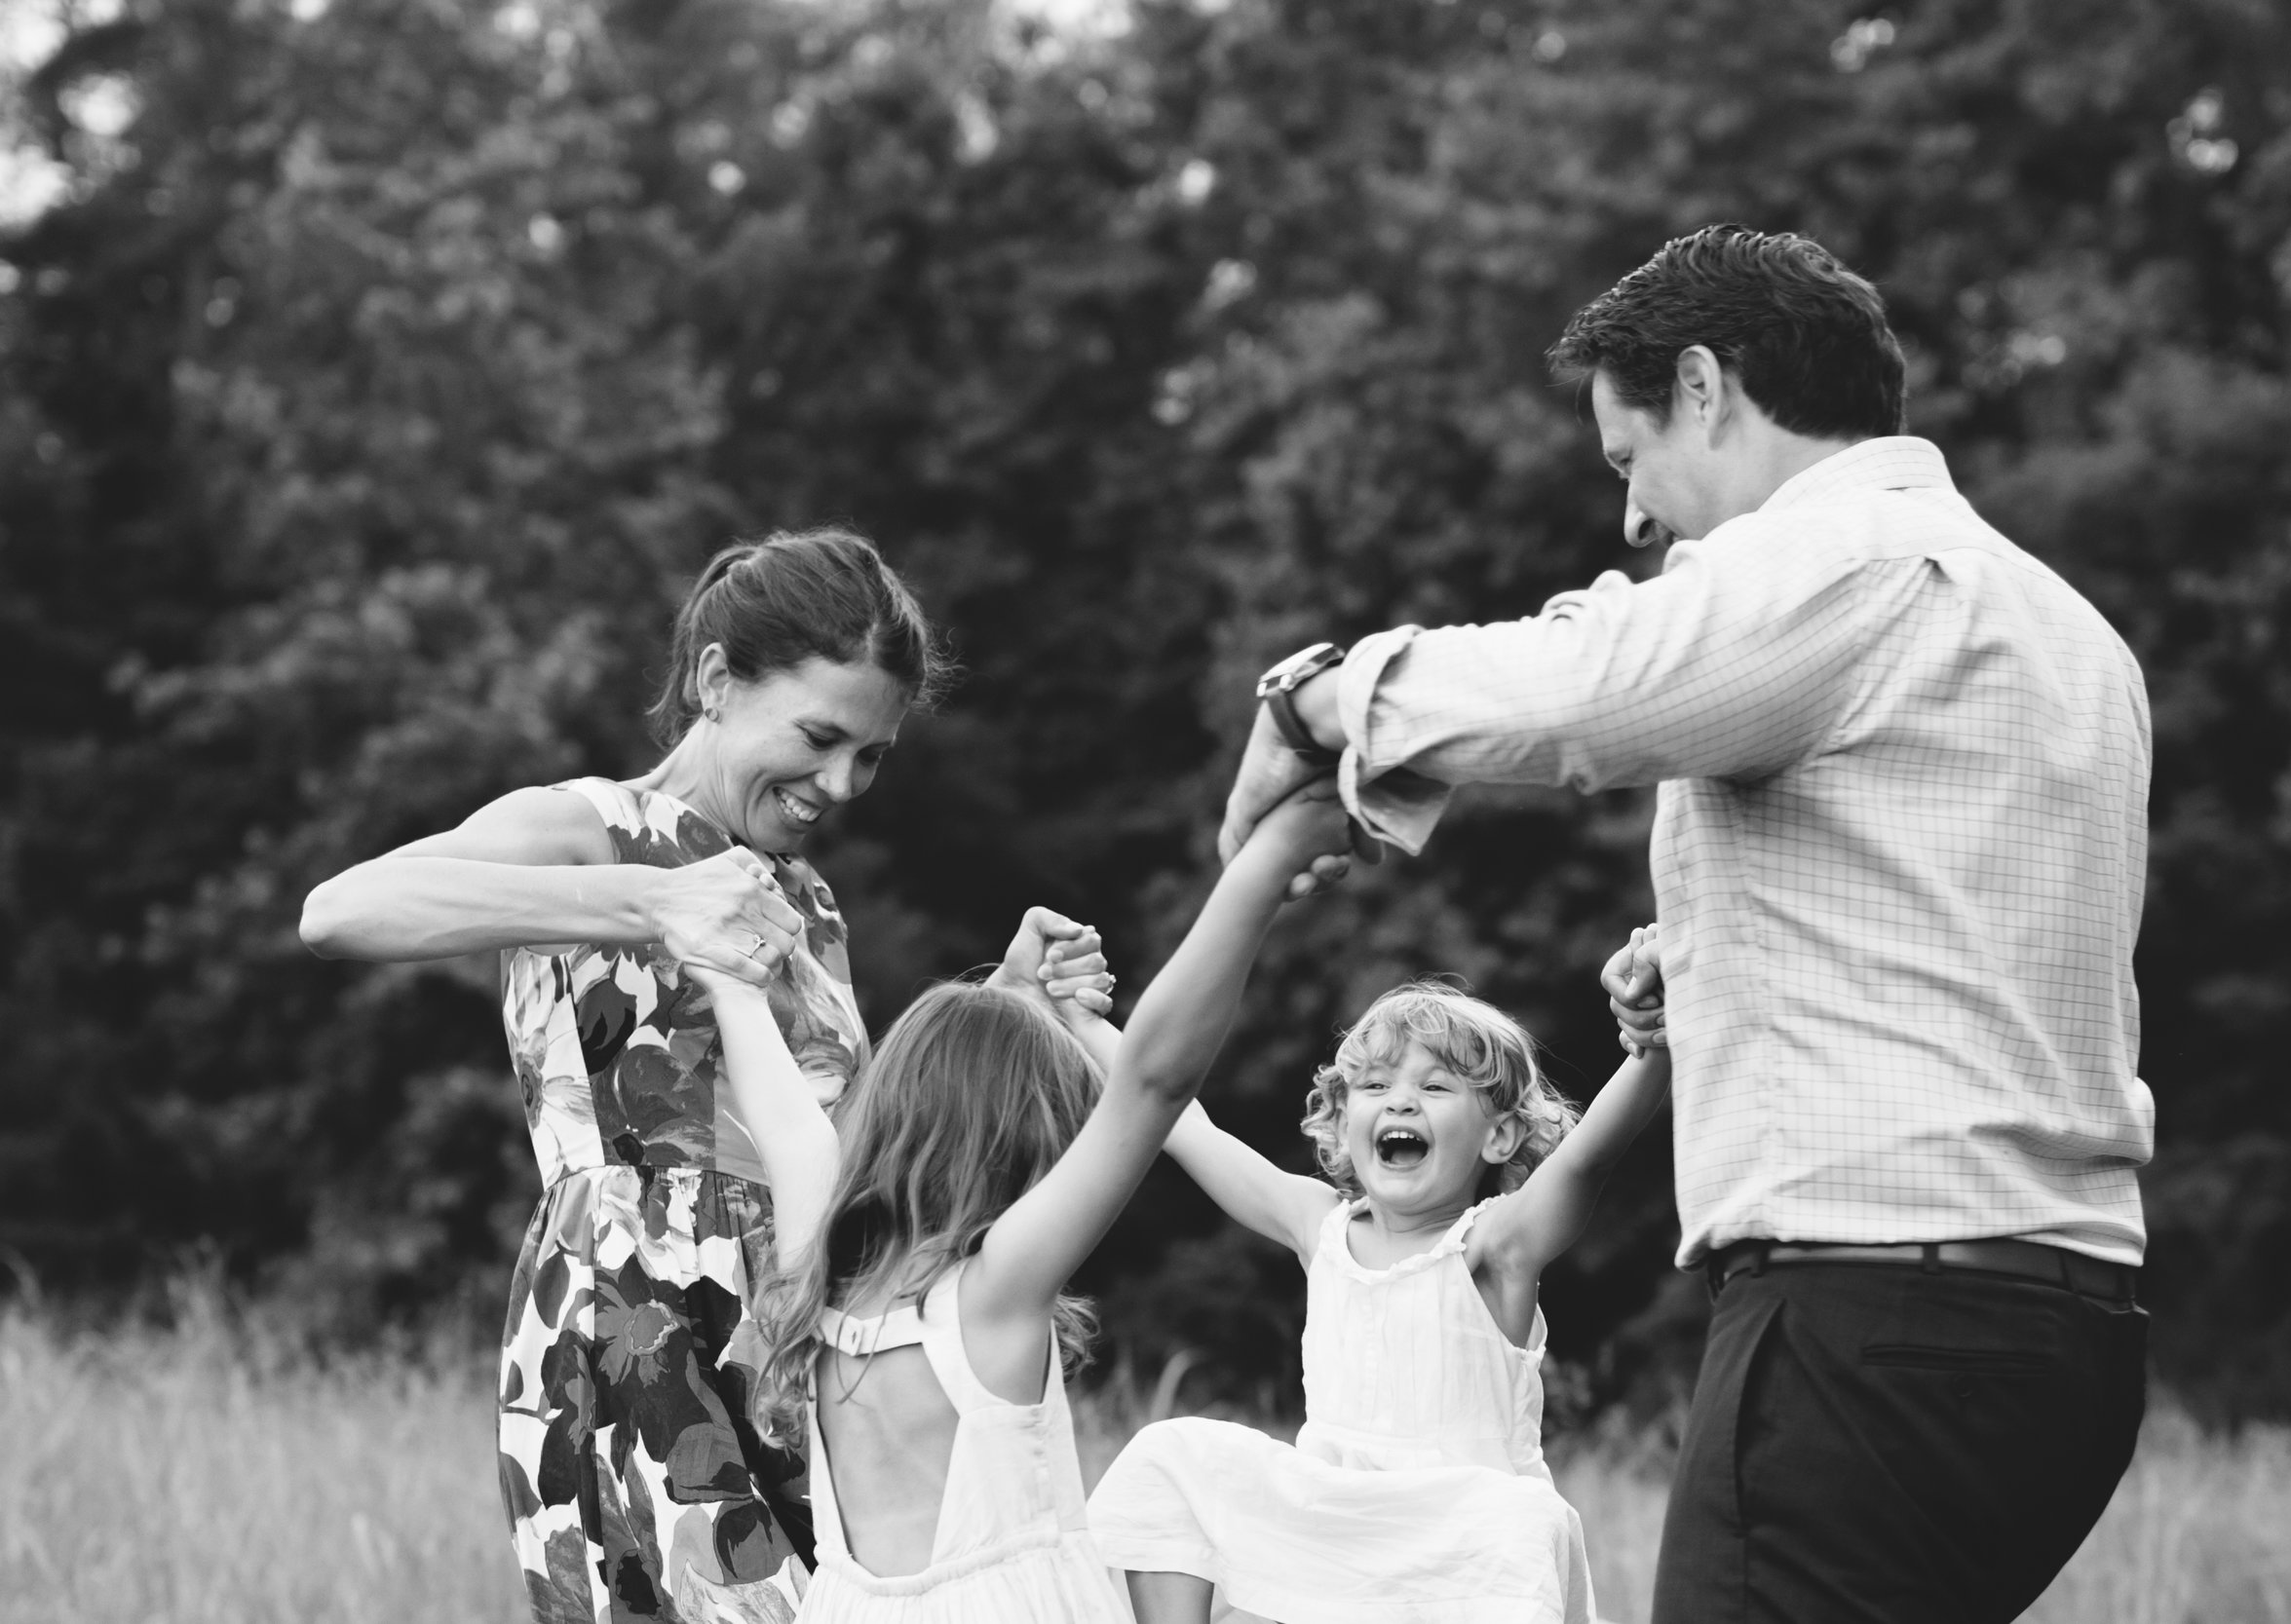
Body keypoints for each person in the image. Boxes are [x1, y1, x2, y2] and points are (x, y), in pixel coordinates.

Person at [1217, 226, 2156, 1623]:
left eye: (1627, 458)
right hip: (2066, 1322)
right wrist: (1715, 963)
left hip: (1869, 1315)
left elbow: (1586, 688)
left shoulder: (1838, 560)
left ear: (1706, 388)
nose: (1635, 520)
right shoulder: (2070, 628)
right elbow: (1952, 926)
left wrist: (1317, 701)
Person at [297, 528, 1107, 1623]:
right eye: (820, 737)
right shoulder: (584, 824)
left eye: (869, 756)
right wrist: (646, 900)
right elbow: (340, 912)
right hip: (636, 1323)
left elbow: (829, 1139)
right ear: (716, 680)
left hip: (800, 1332)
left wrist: (998, 1012)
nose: (840, 783)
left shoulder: (809, 904)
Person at [694, 784, 1352, 1621]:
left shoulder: (816, 1275)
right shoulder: (993, 1293)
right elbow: (1155, 1082)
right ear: (1023, 1155)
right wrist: (1265, 864)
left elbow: (785, 1115)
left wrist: (725, 974)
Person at [1085, 934, 1674, 1624]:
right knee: (1170, 1452)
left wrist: (1656, 1042)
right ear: (1342, 1122)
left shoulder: (1492, 1246)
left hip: (1452, 1553)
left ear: (1499, 1137)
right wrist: (1082, 1019)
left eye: (1433, 1086)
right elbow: (1184, 1123)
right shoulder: (1319, 1226)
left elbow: (1586, 1161)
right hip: (1329, 1530)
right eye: (1374, 1086)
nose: (1399, 1102)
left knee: (1518, 1518)